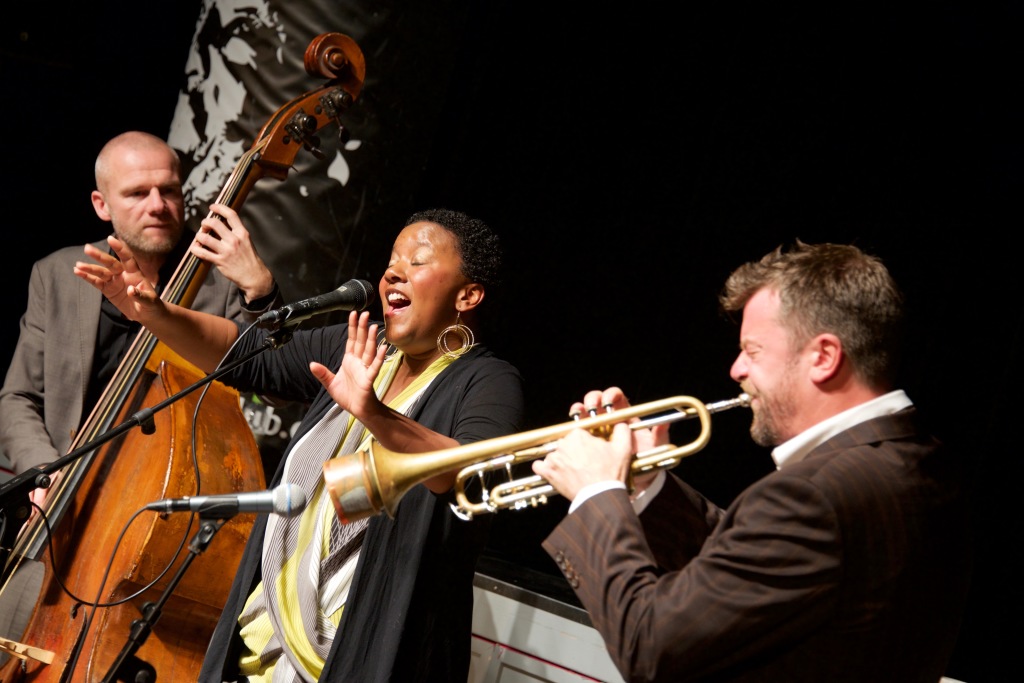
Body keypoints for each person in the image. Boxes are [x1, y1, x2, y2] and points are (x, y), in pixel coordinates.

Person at [74, 208, 525, 682]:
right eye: (393, 260)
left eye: (417, 262)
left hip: (357, 660)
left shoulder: (489, 381)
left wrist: (372, 412)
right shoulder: (361, 345)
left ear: (468, 295)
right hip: (258, 646)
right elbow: (243, 355)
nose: (393, 272)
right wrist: (155, 314)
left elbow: (466, 473)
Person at [532, 241, 973, 682]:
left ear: (823, 357)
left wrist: (597, 491)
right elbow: (757, 569)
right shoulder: (923, 460)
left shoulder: (813, 494)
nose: (736, 369)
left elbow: (650, 647)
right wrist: (646, 485)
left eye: (754, 351)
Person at [0, 130, 279, 659]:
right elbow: (17, 398)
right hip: (59, 522)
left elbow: (276, 383)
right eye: (137, 193)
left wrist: (261, 291)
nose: (158, 205)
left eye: (169, 190)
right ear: (101, 205)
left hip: (159, 532)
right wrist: (43, 473)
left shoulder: (224, 283)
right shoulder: (57, 275)